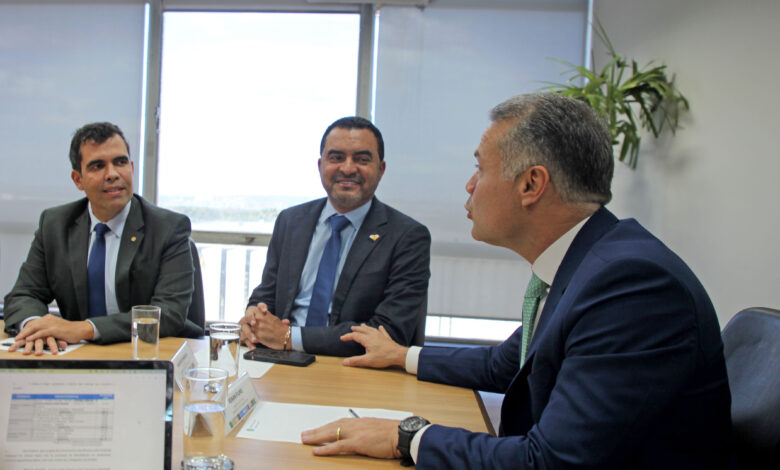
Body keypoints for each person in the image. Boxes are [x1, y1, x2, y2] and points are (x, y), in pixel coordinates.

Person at [301, 93, 732, 468]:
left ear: (531, 184)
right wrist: (402, 355)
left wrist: (407, 435)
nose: (469, 185)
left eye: (480, 169)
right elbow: (504, 365)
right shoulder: (588, 263)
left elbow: (549, 461)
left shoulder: (630, 287)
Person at [239, 117, 431, 356]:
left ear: (381, 170)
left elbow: (388, 332)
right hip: (280, 358)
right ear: (321, 165)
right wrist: (254, 317)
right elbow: (268, 292)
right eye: (336, 158)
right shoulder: (291, 221)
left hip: (353, 365)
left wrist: (290, 337)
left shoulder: (407, 237)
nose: (348, 169)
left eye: (362, 159)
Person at [3, 122, 199, 355]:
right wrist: (35, 328)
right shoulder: (55, 225)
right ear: (78, 179)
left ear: (131, 168)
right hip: (79, 355)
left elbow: (168, 314)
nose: (113, 174)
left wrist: (83, 329)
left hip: (151, 353)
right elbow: (23, 295)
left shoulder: (168, 228)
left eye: (120, 162)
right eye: (98, 166)